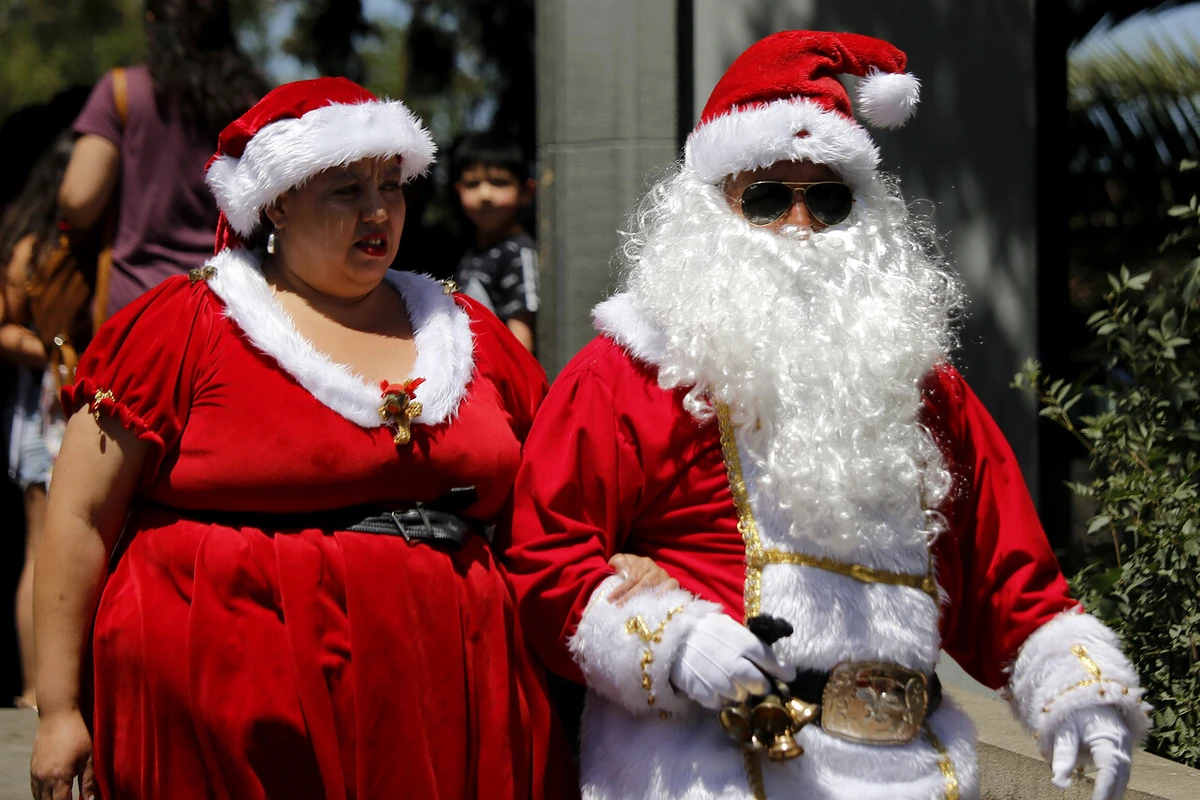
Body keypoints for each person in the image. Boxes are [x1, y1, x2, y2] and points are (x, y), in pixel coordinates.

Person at [504, 30, 1151, 800]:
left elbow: (1005, 574)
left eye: (830, 198)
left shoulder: (922, 386)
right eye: (769, 197)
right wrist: (673, 644)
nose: (801, 226)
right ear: (712, 204)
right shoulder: (627, 372)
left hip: (912, 773)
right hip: (708, 773)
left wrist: (1076, 685)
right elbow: (545, 562)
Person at [30, 76, 595, 800]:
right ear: (278, 202)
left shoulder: (468, 331)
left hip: (444, 702)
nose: (377, 209)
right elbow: (78, 515)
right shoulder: (184, 326)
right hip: (227, 715)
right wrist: (59, 710)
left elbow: (554, 503)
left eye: (390, 185)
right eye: (345, 189)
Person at [57, 0, 266, 320]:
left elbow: (79, 200)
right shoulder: (257, 106)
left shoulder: (123, 92)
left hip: (136, 310)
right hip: (231, 309)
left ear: (153, 20)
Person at [0, 132, 77, 711]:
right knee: (42, 547)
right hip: (49, 402)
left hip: (60, 399)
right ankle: (34, 690)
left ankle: (45, 687)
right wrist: (55, 352)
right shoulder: (35, 249)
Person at [451, 132, 540, 352]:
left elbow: (521, 340)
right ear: (459, 190)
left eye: (499, 182)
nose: (485, 194)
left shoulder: (519, 252)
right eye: (473, 184)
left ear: (527, 191)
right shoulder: (474, 250)